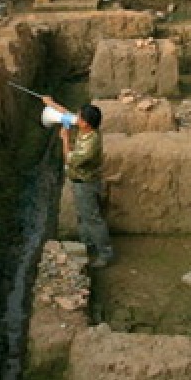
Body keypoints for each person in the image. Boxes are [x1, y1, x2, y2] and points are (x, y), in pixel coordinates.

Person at [42, 97, 113, 268]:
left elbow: (69, 159)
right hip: (78, 181)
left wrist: (65, 139)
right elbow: (66, 114)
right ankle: (87, 244)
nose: (77, 119)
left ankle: (105, 253)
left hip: (85, 184)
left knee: (92, 219)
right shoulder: (88, 127)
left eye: (80, 118)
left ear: (86, 124)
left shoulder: (90, 145)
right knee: (83, 216)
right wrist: (50, 103)